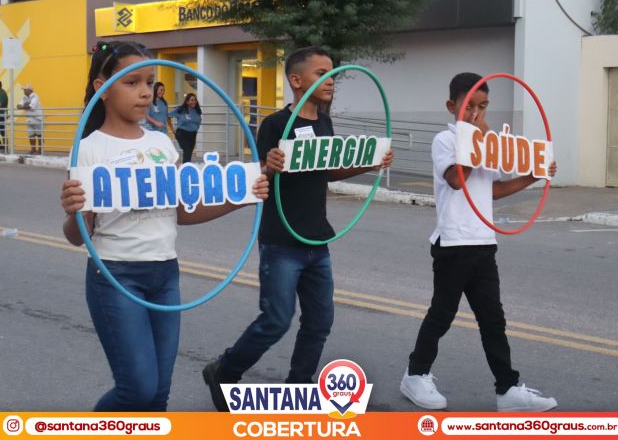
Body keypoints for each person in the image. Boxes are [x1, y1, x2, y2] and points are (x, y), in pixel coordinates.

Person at [59, 40, 269, 412]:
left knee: (158, 396)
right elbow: (78, 236)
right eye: (132, 82)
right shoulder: (89, 149)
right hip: (116, 276)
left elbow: (182, 211)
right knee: (137, 390)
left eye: (149, 82)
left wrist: (242, 196)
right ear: (102, 88)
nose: (145, 92)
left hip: (165, 274)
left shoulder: (162, 143)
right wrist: (74, 211)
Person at [202, 46, 393, 411]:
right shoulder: (275, 124)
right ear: (296, 80)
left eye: (333, 73)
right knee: (276, 319)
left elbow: (327, 171)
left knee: (320, 321)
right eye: (322, 73)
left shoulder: (324, 123)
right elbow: (258, 176)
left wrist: (370, 164)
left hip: (317, 239)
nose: (331, 80)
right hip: (281, 241)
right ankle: (225, 370)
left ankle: (299, 388)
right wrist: (269, 166)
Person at [399, 72, 558, 412]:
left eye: (483, 107)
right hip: (453, 243)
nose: (476, 113)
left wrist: (534, 175)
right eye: (468, 106)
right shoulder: (445, 140)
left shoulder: (487, 143)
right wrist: (475, 139)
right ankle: (415, 374)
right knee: (442, 314)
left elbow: (494, 189)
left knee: (493, 320)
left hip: (483, 243)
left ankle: (508, 389)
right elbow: (457, 179)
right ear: (451, 105)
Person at [169, 92, 201, 163]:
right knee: (187, 150)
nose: (194, 102)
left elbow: (198, 121)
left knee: (189, 152)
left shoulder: (197, 111)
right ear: (187, 102)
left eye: (195, 100)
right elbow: (167, 115)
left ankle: (186, 166)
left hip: (193, 134)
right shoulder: (180, 109)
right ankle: (186, 167)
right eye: (191, 100)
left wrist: (195, 128)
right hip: (182, 133)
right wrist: (172, 129)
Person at [16, 84, 42, 154]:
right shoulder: (24, 98)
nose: (24, 91)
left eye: (25, 89)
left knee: (39, 135)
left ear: (30, 90)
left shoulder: (35, 96)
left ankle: (40, 150)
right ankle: (33, 149)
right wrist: (23, 106)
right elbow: (18, 105)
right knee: (31, 135)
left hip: (37, 118)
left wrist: (23, 106)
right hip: (29, 118)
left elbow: (31, 106)